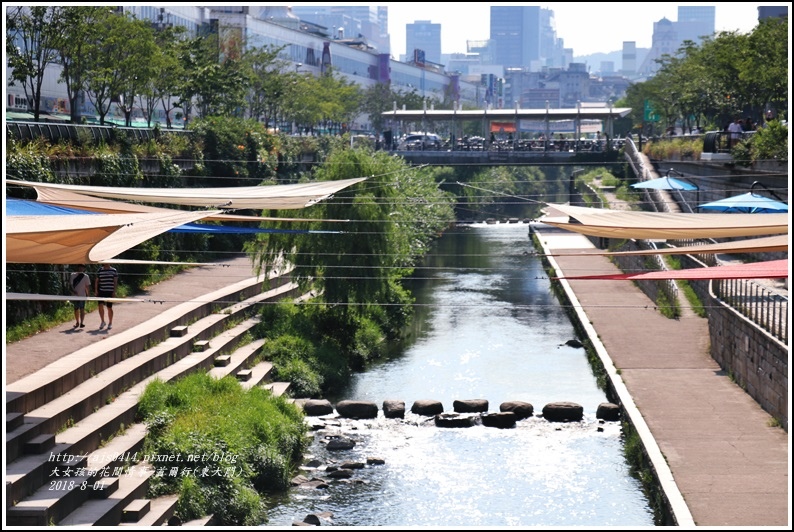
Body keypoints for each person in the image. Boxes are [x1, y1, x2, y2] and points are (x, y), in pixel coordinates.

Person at [95, 263, 119, 330]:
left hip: (110, 291)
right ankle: (102, 321)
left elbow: (115, 281)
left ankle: (110, 322)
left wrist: (114, 292)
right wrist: (96, 290)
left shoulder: (114, 270)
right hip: (101, 290)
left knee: (109, 307)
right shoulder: (100, 270)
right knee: (100, 306)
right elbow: (97, 281)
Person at [69, 264, 91, 329]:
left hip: (82, 295)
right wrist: (73, 291)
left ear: (84, 269)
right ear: (78, 267)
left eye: (82, 267)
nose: (81, 268)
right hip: (75, 296)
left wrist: (88, 295)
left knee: (82, 309)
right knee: (76, 309)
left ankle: (81, 323)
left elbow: (87, 287)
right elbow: (71, 285)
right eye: (80, 267)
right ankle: (77, 322)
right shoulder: (73, 275)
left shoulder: (86, 276)